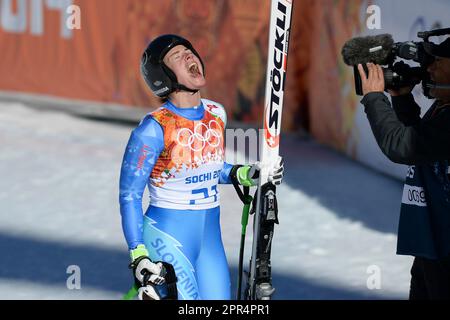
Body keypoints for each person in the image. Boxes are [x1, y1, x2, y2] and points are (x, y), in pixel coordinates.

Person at [119, 34, 284, 300]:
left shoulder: (216, 113)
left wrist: (244, 173)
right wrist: (138, 254)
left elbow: (210, 167)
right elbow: (129, 195)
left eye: (189, 51)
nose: (188, 56)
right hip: (167, 233)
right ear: (163, 77)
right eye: (176, 57)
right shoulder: (153, 129)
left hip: (209, 236)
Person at [357, 37, 450, 299]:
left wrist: (374, 98)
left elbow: (401, 147)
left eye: (438, 62)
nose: (429, 68)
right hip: (432, 244)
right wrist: (401, 98)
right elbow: (421, 147)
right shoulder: (443, 107)